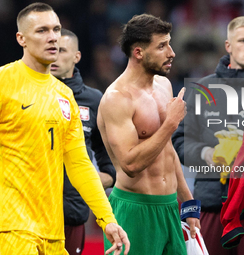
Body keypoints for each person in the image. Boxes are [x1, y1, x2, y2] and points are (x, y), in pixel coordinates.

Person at [0, 3, 129, 255]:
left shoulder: (64, 96)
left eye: (56, 29)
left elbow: (79, 164)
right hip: (12, 229)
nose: (53, 37)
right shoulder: (0, 83)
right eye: (42, 30)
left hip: (53, 232)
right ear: (21, 38)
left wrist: (107, 218)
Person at [172, 16, 244, 255]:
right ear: (228, 46)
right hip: (212, 204)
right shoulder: (202, 89)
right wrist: (206, 153)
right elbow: (180, 141)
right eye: (243, 40)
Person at [97, 14, 201, 255]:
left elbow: (168, 150)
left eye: (170, 44)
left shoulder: (164, 85)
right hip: (135, 210)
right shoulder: (117, 98)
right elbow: (130, 164)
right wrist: (170, 124)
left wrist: (188, 202)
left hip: (169, 208)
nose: (172, 52)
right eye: (162, 46)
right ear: (139, 52)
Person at [50, 28, 116, 255]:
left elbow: (108, 159)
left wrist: (95, 180)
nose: (53, 56)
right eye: (50, 50)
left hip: (72, 215)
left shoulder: (95, 99)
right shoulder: (30, 95)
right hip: (32, 214)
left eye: (61, 50)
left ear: (76, 56)